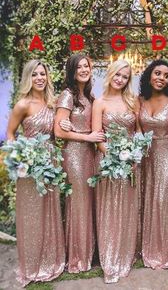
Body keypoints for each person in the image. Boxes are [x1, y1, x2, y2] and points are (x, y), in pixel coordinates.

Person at [7, 59, 65, 286]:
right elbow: (10, 134)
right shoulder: (23, 104)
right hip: (30, 166)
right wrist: (20, 161)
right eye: (35, 74)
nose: (40, 78)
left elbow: (59, 129)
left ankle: (51, 261)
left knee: (49, 211)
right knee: (31, 214)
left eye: (43, 74)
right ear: (28, 78)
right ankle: (31, 264)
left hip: (50, 163)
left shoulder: (53, 103)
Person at [54, 53, 104, 273]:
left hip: (90, 155)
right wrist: (87, 138)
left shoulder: (90, 97)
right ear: (72, 71)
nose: (84, 69)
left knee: (89, 202)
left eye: (87, 66)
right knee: (79, 203)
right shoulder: (67, 96)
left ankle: (90, 252)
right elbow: (58, 132)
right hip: (74, 155)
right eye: (79, 67)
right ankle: (78, 256)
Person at [92, 59, 140, 283]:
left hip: (131, 163)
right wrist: (113, 156)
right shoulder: (99, 102)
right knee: (110, 209)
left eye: (125, 76)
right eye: (118, 75)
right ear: (110, 74)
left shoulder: (132, 101)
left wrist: (134, 156)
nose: (120, 79)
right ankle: (110, 259)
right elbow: (97, 136)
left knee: (128, 209)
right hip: (109, 162)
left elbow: (138, 132)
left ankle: (125, 254)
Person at [139, 59, 168, 269]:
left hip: (167, 155)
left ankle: (164, 251)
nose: (161, 78)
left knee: (163, 200)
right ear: (149, 75)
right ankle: (145, 247)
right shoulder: (139, 100)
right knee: (147, 198)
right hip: (145, 156)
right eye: (157, 73)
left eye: (166, 76)